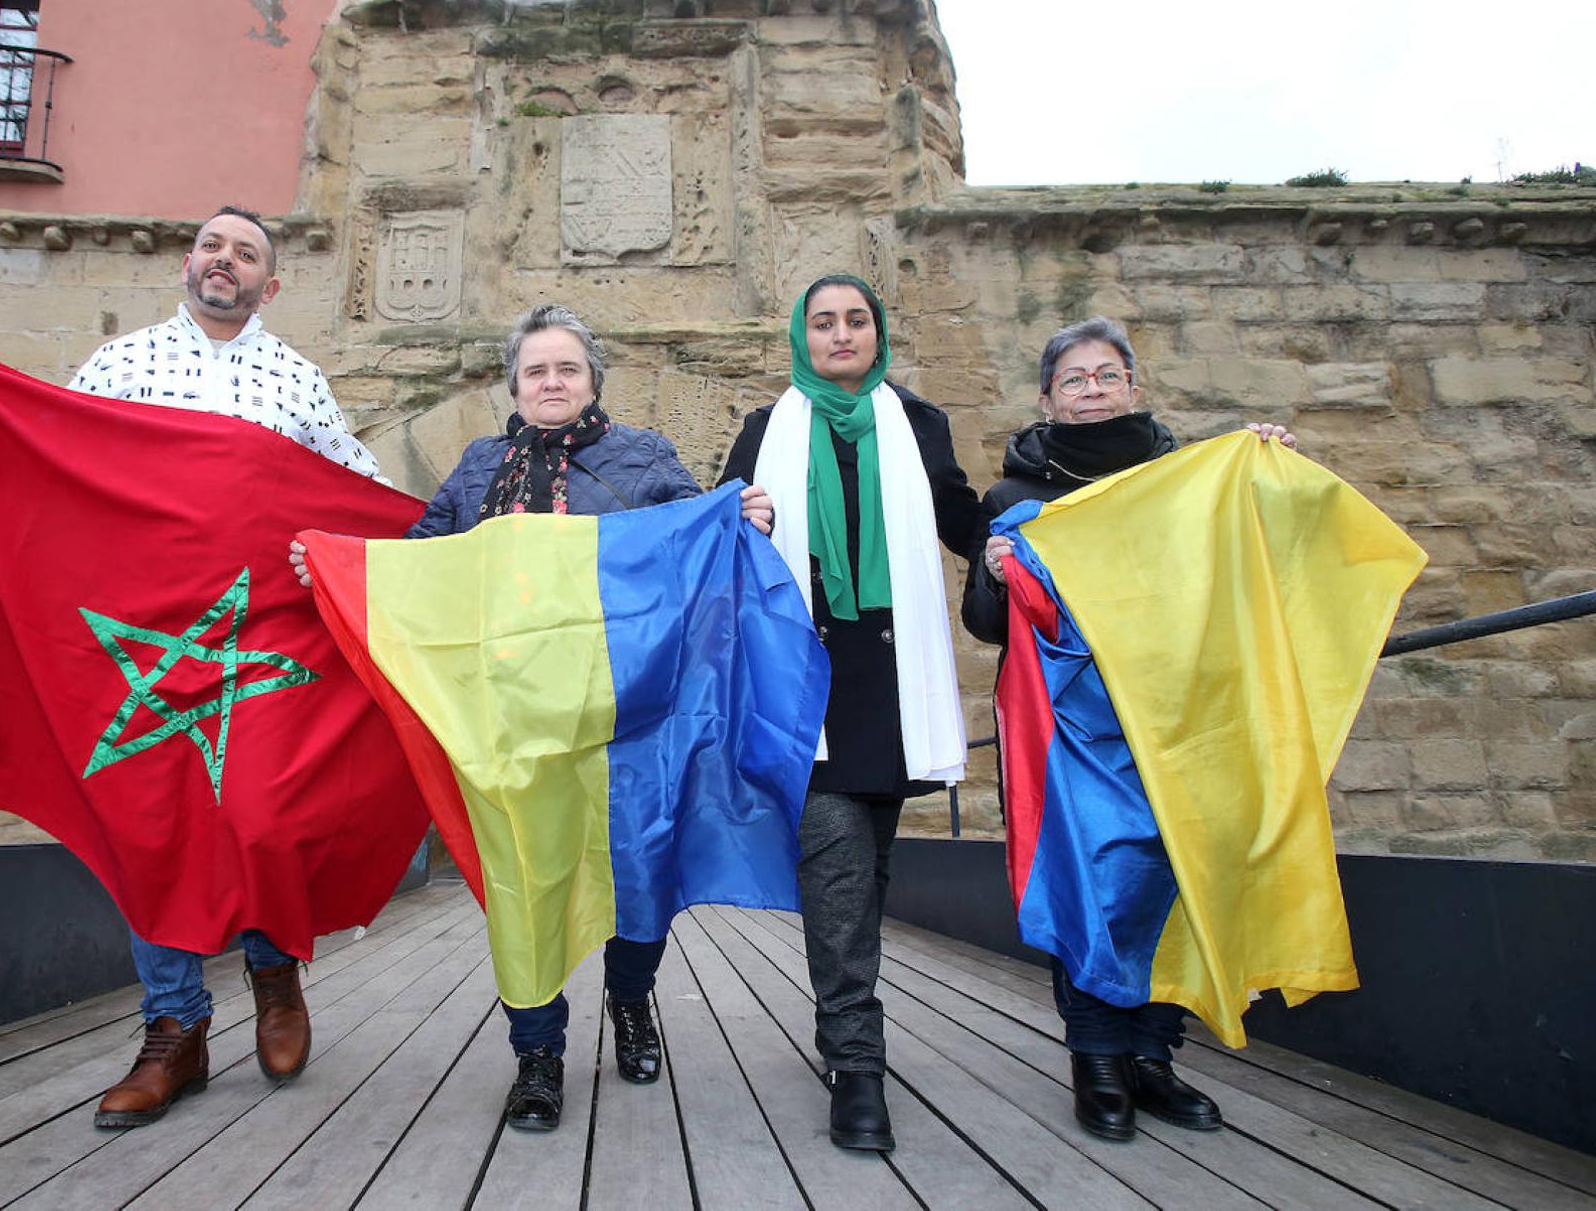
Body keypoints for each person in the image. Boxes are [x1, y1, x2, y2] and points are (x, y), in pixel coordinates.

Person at [0, 205, 385, 1129]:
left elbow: (356, 483)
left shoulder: (297, 379)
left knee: (261, 810)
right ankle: (175, 1030)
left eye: (247, 253)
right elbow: (41, 444)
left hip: (259, 631)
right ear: (189, 263)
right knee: (147, 823)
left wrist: (452, 530)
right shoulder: (122, 364)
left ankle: (274, 971)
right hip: (137, 633)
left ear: (269, 285)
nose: (224, 260)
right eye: (213, 245)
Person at [293, 302, 772, 1133]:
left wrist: (738, 523)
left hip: (629, 715)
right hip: (513, 721)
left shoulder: (645, 457)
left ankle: (631, 1001)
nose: (552, 383)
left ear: (592, 381)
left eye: (568, 369)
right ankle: (538, 1054)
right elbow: (421, 563)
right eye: (536, 370)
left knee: (637, 874)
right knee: (524, 885)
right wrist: (337, 565)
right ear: (514, 385)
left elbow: (693, 543)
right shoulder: (481, 468)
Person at [960, 315, 1293, 1143]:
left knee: (1175, 874)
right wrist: (998, 574)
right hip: (1069, 728)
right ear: (1048, 398)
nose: (1093, 390)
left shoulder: (1187, 481)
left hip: (1176, 718)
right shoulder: (1014, 498)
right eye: (1075, 379)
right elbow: (984, 621)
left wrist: (1266, 471)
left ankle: (1154, 1056)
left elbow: (1252, 560)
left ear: (1133, 387)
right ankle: (1097, 1059)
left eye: (1107, 375)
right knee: (1087, 882)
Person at [719, 274, 984, 1153]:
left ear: (878, 334)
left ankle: (843, 1036)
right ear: (802, 336)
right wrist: (740, 514)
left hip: (896, 682)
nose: (840, 335)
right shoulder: (767, 429)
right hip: (811, 678)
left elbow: (969, 526)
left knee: (865, 871)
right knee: (835, 872)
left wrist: (1044, 511)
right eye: (823, 323)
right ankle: (858, 1064)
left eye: (856, 321)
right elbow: (721, 534)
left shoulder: (920, 423)